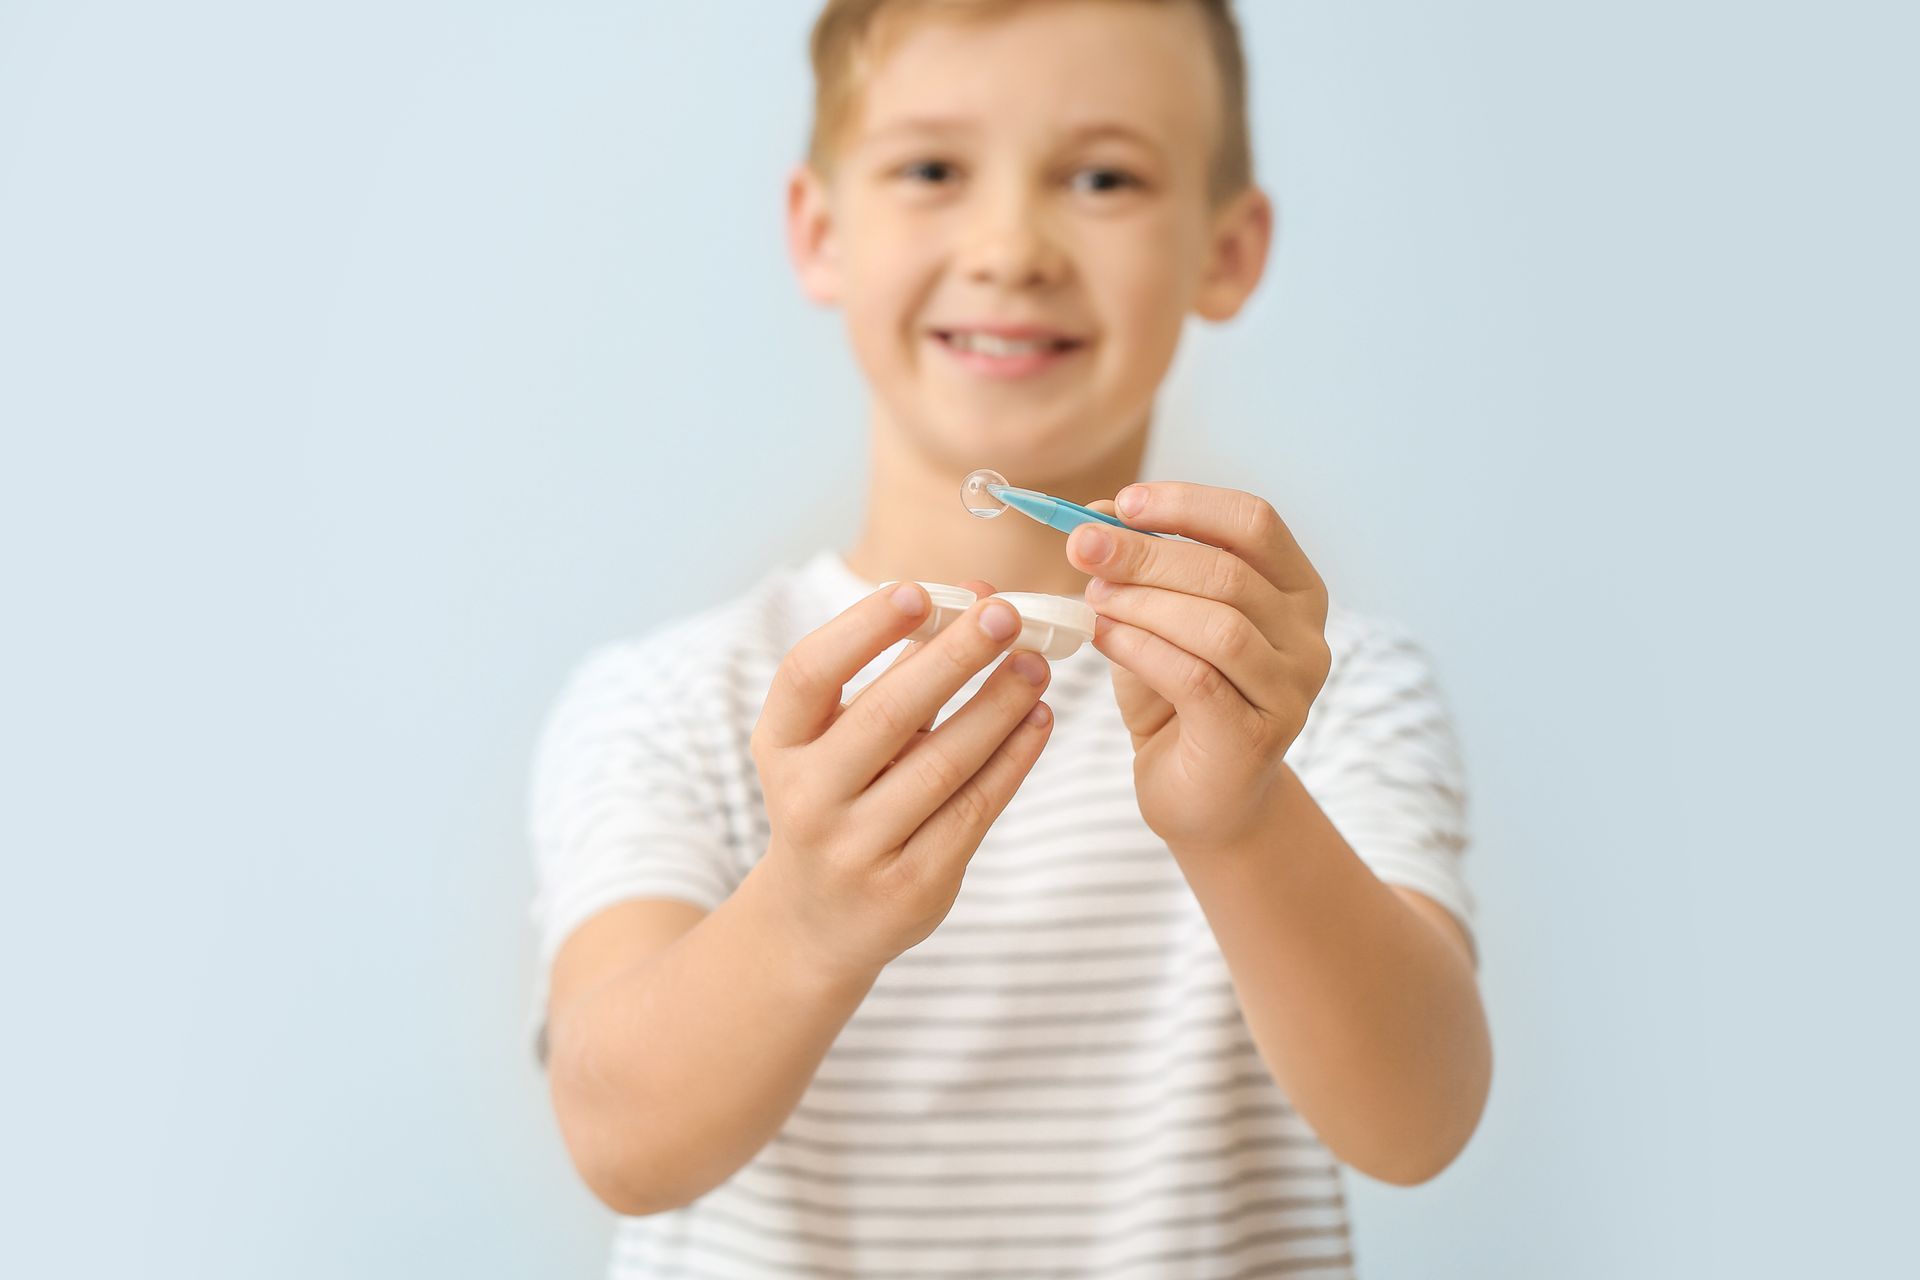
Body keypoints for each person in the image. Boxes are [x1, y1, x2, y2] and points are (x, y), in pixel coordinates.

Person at [528, 1, 1491, 1274]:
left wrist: (1243, 817)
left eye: (1103, 176)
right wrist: (808, 913)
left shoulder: (1315, 690)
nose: (1010, 245)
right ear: (822, 233)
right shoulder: (671, 702)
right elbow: (618, 1140)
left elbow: (1416, 1121)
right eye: (931, 169)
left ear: (1229, 249)